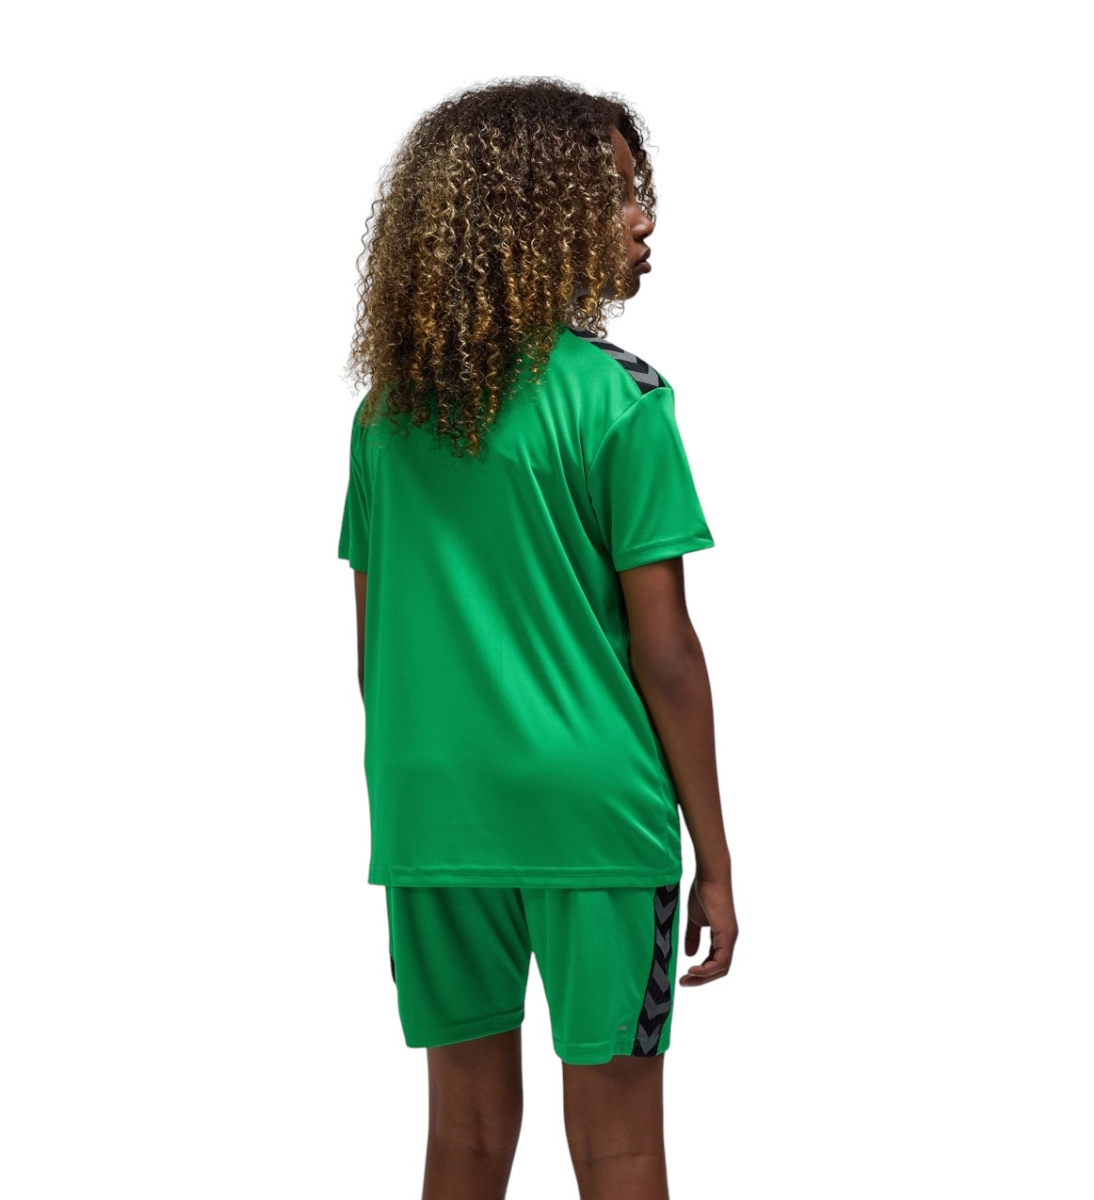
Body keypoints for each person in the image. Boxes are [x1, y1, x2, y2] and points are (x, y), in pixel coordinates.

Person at [337, 76, 738, 1200]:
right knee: (619, 1146)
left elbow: (375, 653)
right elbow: (667, 654)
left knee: (463, 1136)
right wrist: (714, 855)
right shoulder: (620, 400)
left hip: (431, 811)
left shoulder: (385, 416)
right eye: (617, 195)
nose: (644, 219)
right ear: (535, 216)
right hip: (592, 814)